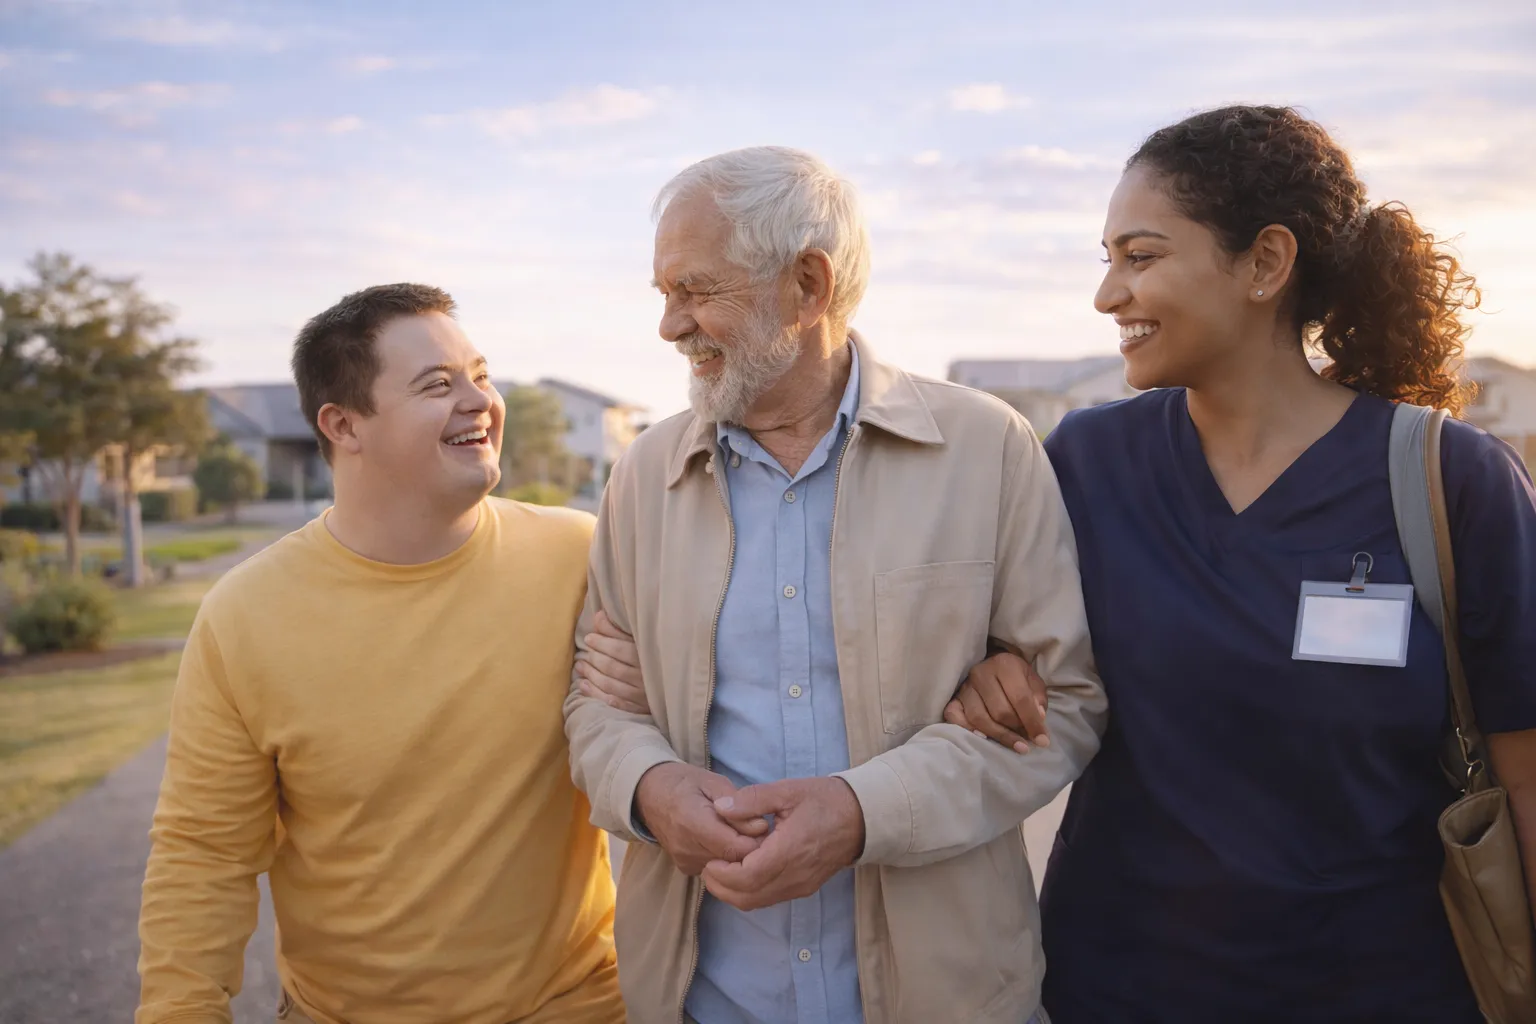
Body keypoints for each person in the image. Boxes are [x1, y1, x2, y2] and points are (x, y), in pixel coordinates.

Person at [949, 105, 1536, 1023]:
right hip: (1115, 988)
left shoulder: (1451, 482)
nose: (1108, 296)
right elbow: (1000, 649)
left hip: (1388, 992)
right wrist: (990, 667)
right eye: (1105, 260)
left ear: (1266, 263)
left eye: (1140, 257)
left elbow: (1527, 775)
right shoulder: (1084, 463)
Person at [563, 145, 1101, 1024]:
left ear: (808, 285)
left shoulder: (987, 448)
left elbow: (1068, 705)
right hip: (706, 1001)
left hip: (945, 1001)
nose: (670, 325)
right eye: (664, 295)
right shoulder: (642, 475)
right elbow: (596, 708)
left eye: (696, 291)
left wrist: (862, 813)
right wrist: (652, 790)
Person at [137, 284, 625, 1024]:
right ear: (343, 425)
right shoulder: (243, 617)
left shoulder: (579, 556)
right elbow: (204, 855)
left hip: (577, 1006)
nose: (480, 402)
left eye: (482, 376)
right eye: (438, 384)